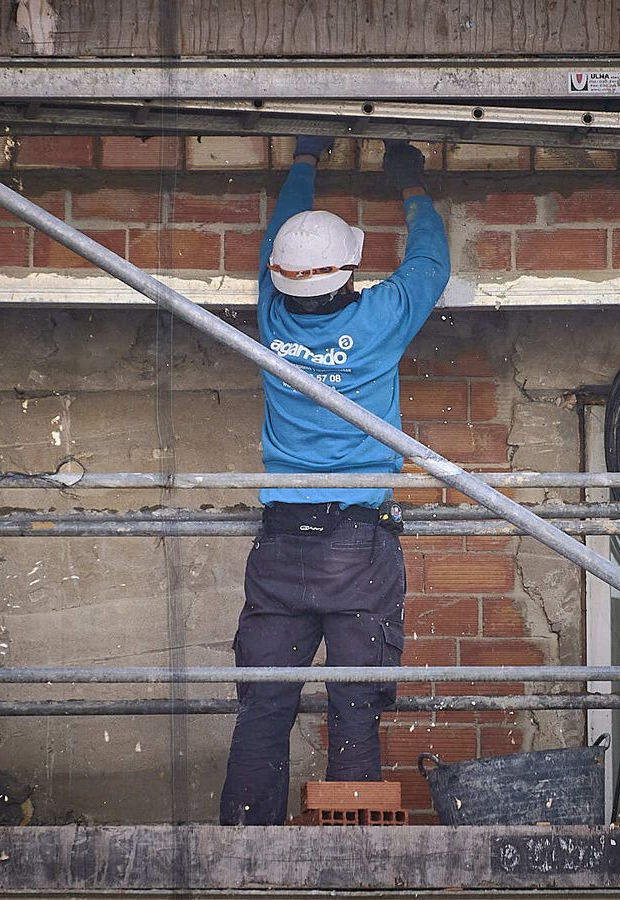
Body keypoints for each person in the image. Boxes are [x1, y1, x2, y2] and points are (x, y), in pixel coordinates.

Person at [219, 135, 449, 825]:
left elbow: (277, 241)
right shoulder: (381, 319)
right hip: (357, 547)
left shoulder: (269, 314)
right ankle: (350, 858)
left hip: (282, 546)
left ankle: (244, 853)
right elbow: (430, 263)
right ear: (348, 273)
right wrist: (410, 185)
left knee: (266, 704)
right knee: (355, 706)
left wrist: (302, 163)